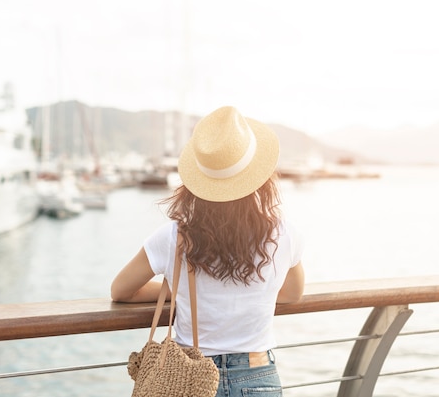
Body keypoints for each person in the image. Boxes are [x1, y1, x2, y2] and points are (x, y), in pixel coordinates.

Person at [111, 105, 305, 396]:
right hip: (257, 375)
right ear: (259, 177)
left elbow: (121, 291)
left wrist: (180, 291)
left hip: (188, 378)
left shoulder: (173, 237)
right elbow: (292, 294)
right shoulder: (283, 234)